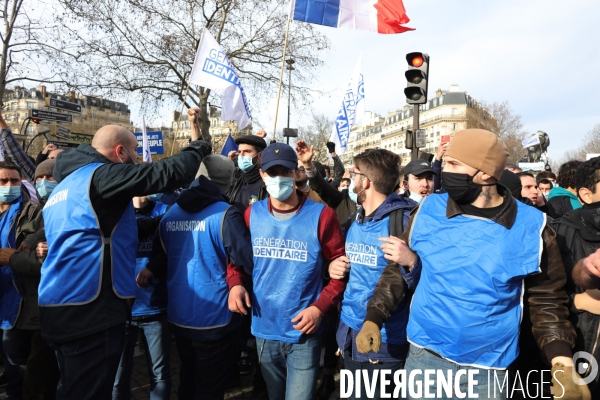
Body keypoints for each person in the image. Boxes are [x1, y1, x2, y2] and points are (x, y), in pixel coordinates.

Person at [358, 129, 588, 399]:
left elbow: (546, 298)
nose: (445, 171)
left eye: (454, 164)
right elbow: (397, 269)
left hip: (489, 370)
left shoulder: (533, 226)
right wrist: (374, 316)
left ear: (486, 174)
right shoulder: (429, 209)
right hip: (424, 356)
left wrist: (561, 361)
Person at [38, 109, 211, 399]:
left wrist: (161, 221)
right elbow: (169, 172)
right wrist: (198, 146)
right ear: (120, 153)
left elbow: (106, 233)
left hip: (59, 305)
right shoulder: (101, 175)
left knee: (70, 389)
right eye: (135, 152)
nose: (139, 158)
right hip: (91, 309)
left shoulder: (67, 185)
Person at [228, 142, 347, 400]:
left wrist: (320, 307)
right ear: (262, 175)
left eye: (285, 171)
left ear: (296, 173)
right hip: (264, 329)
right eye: (272, 172)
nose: (279, 178)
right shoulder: (251, 214)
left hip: (305, 333)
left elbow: (340, 270)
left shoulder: (323, 216)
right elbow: (237, 259)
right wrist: (235, 283)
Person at [145, 154, 253, 400]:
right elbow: (246, 259)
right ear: (227, 180)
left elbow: (162, 258)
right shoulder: (226, 214)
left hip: (179, 314)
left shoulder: (170, 214)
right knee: (210, 387)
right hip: (216, 316)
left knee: (188, 377)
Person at [327, 149, 418, 400]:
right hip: (348, 331)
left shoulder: (406, 220)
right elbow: (349, 264)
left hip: (385, 339)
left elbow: (424, 277)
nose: (350, 178)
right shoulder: (355, 218)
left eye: (353, 173)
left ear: (366, 181)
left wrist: (412, 261)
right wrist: (334, 268)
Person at [0, 160, 60, 400]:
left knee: (25, 378)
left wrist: (12, 258)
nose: (9, 185)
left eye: (14, 180)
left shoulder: (36, 214)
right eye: (3, 181)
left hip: (23, 309)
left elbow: (47, 262)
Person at [112, 195, 171, 400]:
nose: (140, 193)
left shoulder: (165, 210)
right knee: (118, 379)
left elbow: (174, 246)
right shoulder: (116, 210)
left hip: (155, 307)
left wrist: (153, 268)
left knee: (159, 374)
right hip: (122, 309)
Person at [552, 156, 600, 396]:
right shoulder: (559, 233)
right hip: (581, 349)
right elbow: (542, 298)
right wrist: (579, 302)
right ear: (586, 194)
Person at [296, 141, 357, 230]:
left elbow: (336, 176)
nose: (297, 171)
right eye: (294, 168)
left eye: (301, 168)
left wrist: (309, 166)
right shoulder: (284, 194)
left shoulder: (322, 196)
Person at [227, 135, 268, 213]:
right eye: (239, 152)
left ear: (260, 156)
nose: (241, 155)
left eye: (247, 151)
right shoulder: (235, 180)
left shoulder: (267, 184)